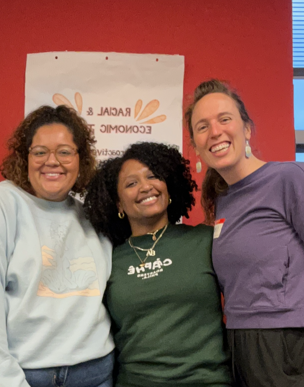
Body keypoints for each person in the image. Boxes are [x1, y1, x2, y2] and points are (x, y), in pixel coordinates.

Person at [185, 79, 304, 387]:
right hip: (242, 352)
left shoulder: (294, 179)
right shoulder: (223, 202)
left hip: (294, 352)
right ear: (197, 146)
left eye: (224, 119)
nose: (215, 131)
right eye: (202, 126)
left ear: (247, 130)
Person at [0, 105, 114, 387]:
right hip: (4, 373)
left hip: (91, 374)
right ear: (24, 158)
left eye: (64, 151)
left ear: (80, 158)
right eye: (39, 152)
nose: (52, 161)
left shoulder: (93, 216)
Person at [83, 142, 233, 387]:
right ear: (119, 205)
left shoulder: (205, 240)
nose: (145, 187)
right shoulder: (107, 257)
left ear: (168, 187)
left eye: (153, 176)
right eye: (131, 184)